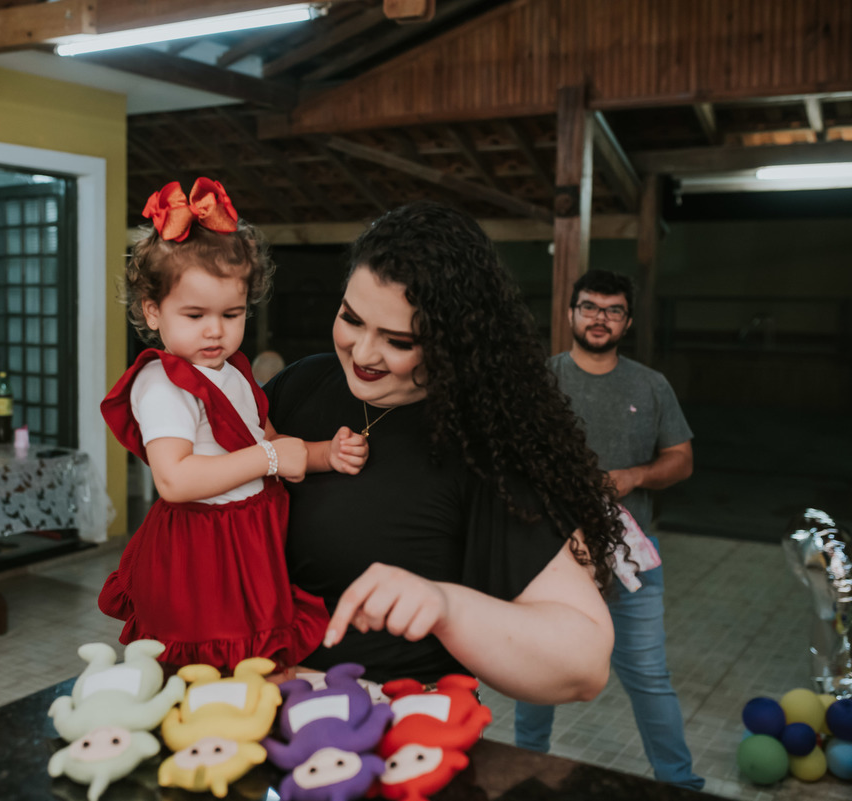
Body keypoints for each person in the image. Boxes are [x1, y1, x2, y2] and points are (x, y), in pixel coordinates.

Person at [264, 202, 624, 704]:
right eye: (351, 318)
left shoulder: (481, 446)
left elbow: (584, 664)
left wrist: (445, 606)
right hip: (257, 708)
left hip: (393, 727)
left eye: (398, 341)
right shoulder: (302, 384)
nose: (363, 353)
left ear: (452, 342)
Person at [98, 178, 368, 672]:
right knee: (205, 667)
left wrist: (325, 453)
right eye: (195, 314)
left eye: (232, 314)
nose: (215, 330)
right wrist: (268, 458)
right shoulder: (164, 384)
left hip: (247, 538)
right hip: (202, 551)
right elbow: (175, 479)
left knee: (254, 663)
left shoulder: (233, 370)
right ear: (153, 311)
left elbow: (269, 440)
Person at [513, 270, 702, 790]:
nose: (601, 318)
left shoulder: (651, 384)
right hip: (552, 555)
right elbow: (508, 457)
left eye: (613, 310)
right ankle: (523, 769)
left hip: (630, 557)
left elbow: (681, 459)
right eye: (590, 307)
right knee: (540, 668)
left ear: (628, 322)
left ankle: (681, 785)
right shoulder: (541, 381)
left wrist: (634, 476)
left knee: (649, 678)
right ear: (570, 314)